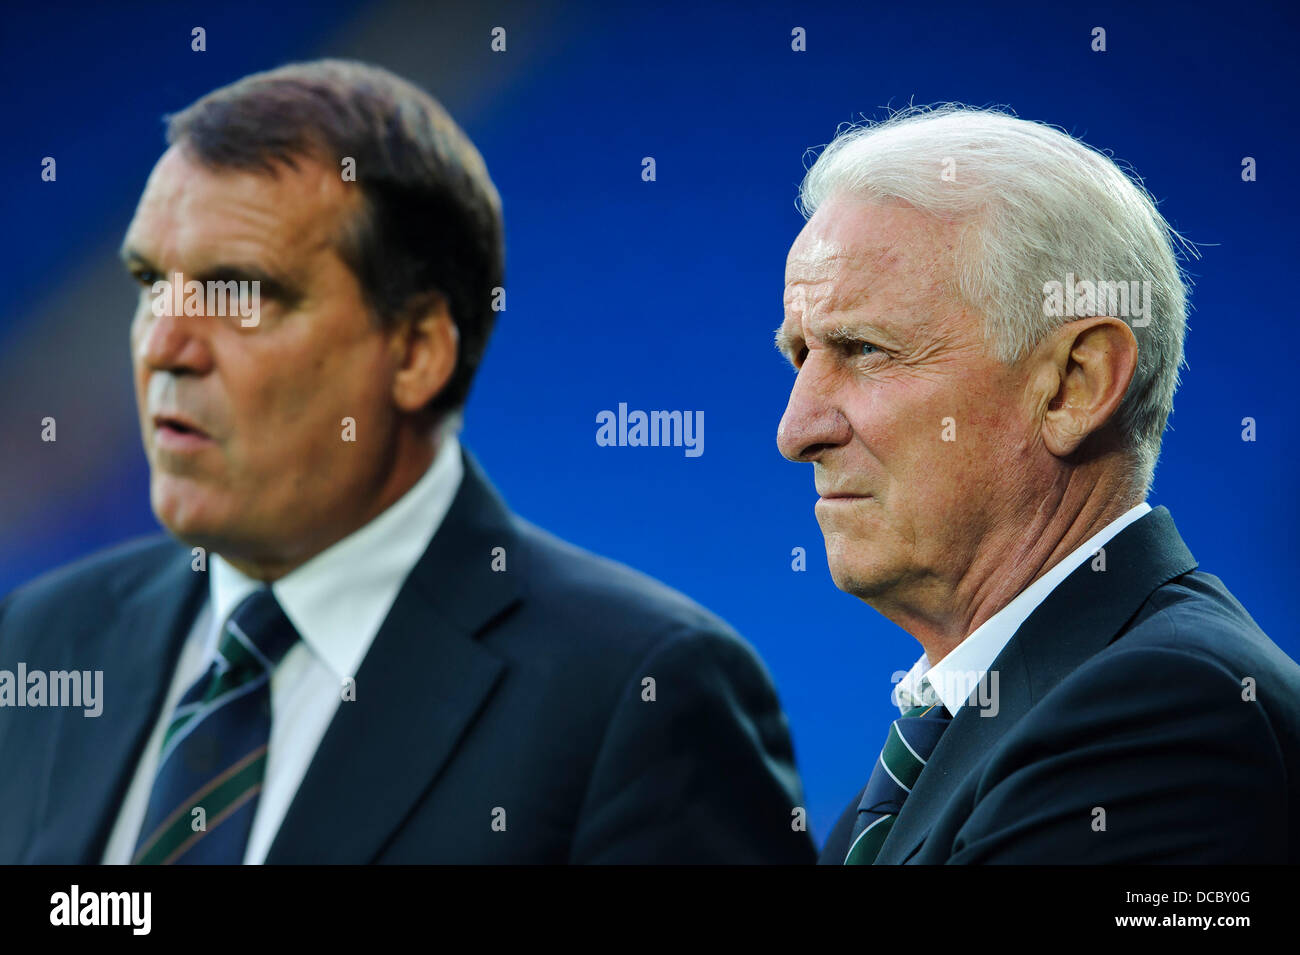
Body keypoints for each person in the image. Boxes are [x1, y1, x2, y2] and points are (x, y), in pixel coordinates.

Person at [0, 59, 814, 865]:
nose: (163, 346)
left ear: (417, 349)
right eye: (150, 282)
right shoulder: (46, 638)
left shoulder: (639, 697)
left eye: (237, 293)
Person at [775, 105, 1300, 864]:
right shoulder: (909, 779)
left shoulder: (1165, 715)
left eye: (863, 348)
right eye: (800, 355)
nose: (797, 430)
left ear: (1073, 386)